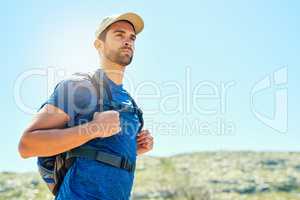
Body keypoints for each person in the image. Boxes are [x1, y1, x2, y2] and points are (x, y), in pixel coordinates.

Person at [18, 12, 154, 199]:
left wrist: (135, 150)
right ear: (99, 45)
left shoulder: (130, 103)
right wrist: (93, 128)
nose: (128, 41)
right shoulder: (77, 87)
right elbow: (27, 145)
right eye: (119, 35)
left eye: (132, 38)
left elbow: (98, 153)